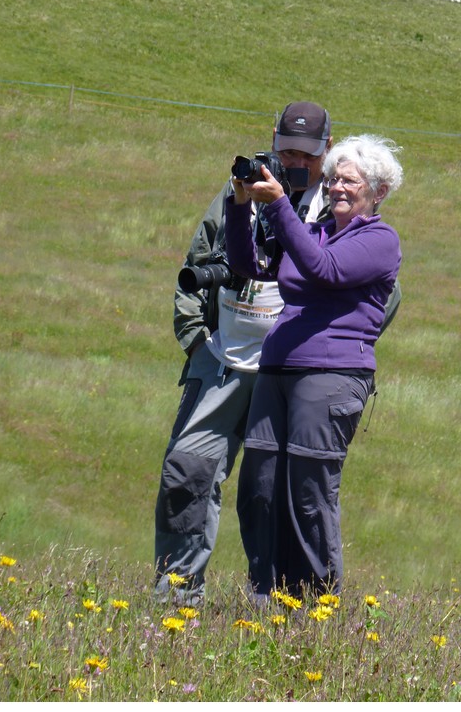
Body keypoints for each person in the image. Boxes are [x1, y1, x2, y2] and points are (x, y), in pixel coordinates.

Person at [154, 101, 334, 605]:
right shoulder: (244, 187)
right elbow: (197, 264)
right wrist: (196, 343)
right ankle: (175, 601)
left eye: (308, 155)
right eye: (286, 151)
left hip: (292, 368)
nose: (296, 164)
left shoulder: (338, 200)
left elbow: (378, 291)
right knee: (185, 475)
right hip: (221, 358)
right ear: (272, 142)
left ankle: (278, 610)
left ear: (329, 151)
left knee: (271, 494)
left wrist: (330, 351)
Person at [224, 134, 403, 599]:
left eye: (350, 181)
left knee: (309, 492)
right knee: (259, 489)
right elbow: (251, 264)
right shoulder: (315, 232)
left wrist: (282, 207)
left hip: (331, 376)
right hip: (277, 371)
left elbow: (324, 269)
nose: (337, 189)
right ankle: (264, 598)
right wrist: (241, 205)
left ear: (378, 191)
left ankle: (315, 607)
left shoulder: (380, 240)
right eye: (333, 180)